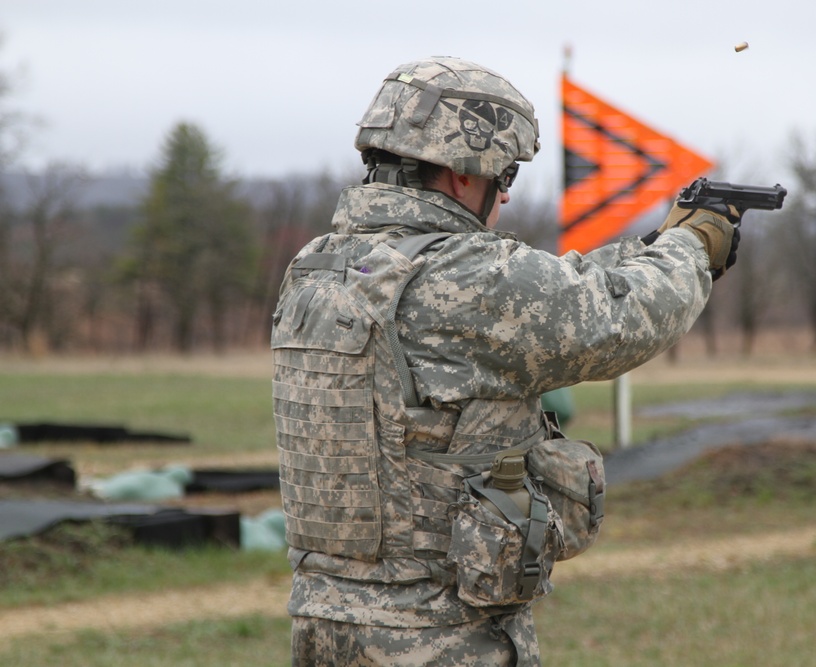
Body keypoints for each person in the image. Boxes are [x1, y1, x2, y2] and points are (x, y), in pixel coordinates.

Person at [271, 56, 739, 666]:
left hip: (325, 620)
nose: (508, 191)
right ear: (464, 175)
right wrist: (692, 247)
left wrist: (644, 251)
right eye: (506, 171)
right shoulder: (463, 272)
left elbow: (552, 290)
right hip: (436, 635)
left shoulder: (321, 265)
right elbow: (616, 321)